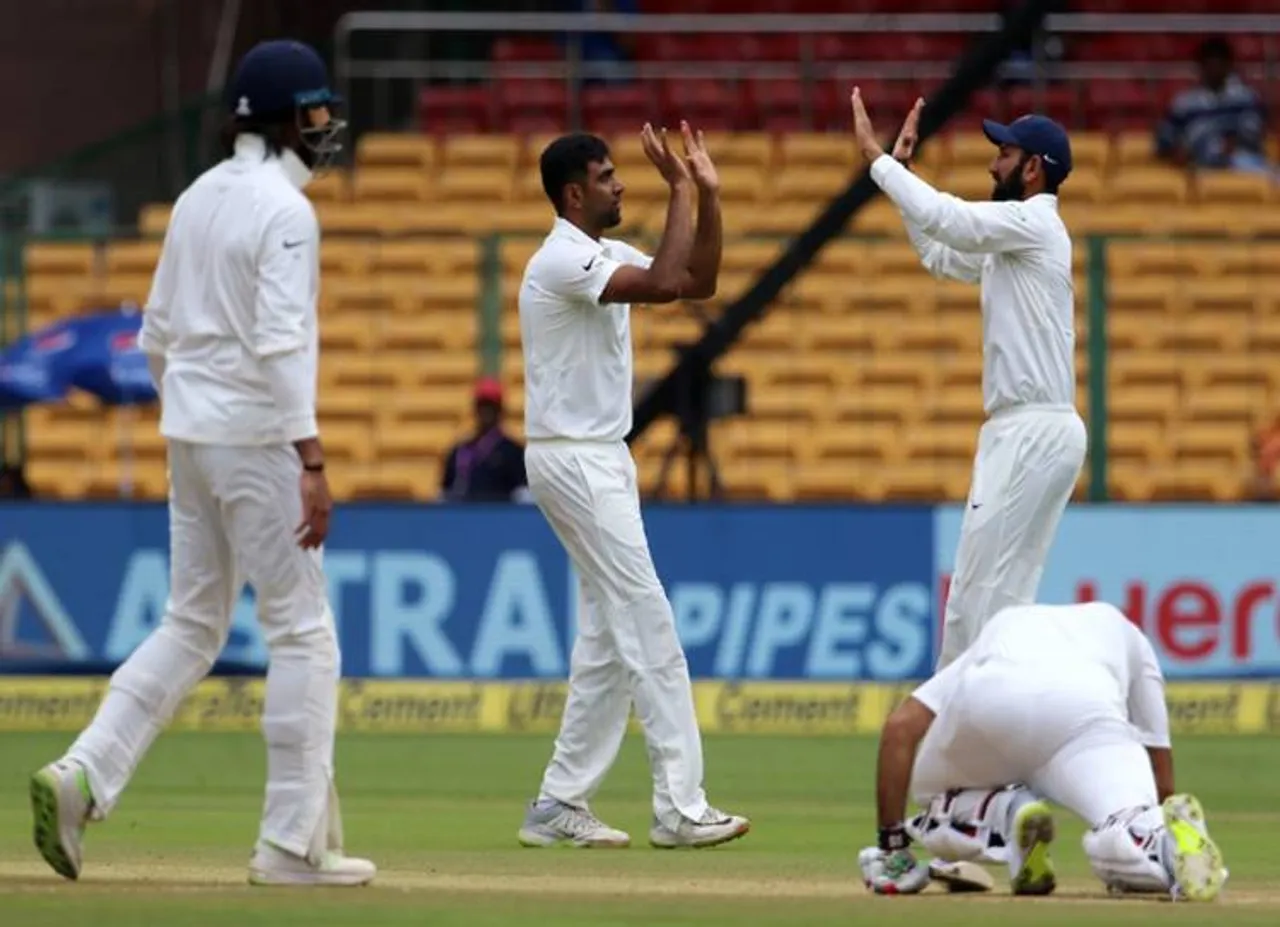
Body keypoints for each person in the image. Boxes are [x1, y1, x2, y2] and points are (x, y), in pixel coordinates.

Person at [27, 39, 375, 887]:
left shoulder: (193, 198)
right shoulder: (285, 213)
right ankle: (290, 846)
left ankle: (81, 776)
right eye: (315, 112)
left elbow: (153, 335)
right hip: (258, 438)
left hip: (191, 432)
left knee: (191, 623)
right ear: (287, 119)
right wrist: (312, 456)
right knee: (302, 631)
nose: (324, 127)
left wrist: (191, 415)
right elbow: (281, 341)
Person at [515, 126, 748, 850]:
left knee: (609, 639)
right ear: (574, 194)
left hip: (597, 457)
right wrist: (677, 189)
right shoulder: (561, 259)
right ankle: (680, 804)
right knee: (647, 618)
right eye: (609, 177)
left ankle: (559, 801)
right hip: (575, 457)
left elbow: (693, 281)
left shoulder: (602, 252)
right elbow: (656, 288)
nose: (621, 186)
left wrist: (705, 195)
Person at [851, 89, 1087, 670]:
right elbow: (937, 250)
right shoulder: (1015, 242)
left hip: (1030, 429)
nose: (992, 162)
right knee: (1000, 606)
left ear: (1033, 168)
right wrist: (903, 173)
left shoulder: (1032, 221)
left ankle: (951, 731)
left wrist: (877, 162)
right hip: (1030, 429)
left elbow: (947, 218)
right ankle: (998, 736)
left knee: (973, 602)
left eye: (1004, 153)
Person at [858, 601, 1228, 902]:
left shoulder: (1005, 625)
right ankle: (1158, 845)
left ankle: (1007, 813)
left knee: (935, 797)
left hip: (996, 699)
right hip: (1088, 707)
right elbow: (1160, 764)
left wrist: (891, 846)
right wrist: (1156, 810)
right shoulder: (1127, 634)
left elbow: (899, 729)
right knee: (1127, 819)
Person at [1156, 36, 1271, 175]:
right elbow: (1165, 140)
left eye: (1219, 64)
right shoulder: (1184, 103)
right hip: (1197, 166)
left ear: (1228, 65)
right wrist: (1177, 150)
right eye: (1209, 64)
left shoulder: (1246, 98)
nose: (1214, 70)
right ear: (1201, 67)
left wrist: (1234, 142)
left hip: (1242, 162)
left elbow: (1255, 129)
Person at [440, 377, 530, 503]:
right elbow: (445, 494)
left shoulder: (513, 452)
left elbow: (523, 495)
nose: (486, 411)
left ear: (500, 410)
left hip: (500, 519)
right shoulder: (459, 451)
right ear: (475, 409)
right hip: (462, 518)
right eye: (482, 406)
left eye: (491, 406)